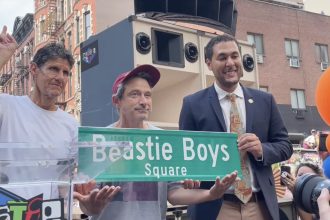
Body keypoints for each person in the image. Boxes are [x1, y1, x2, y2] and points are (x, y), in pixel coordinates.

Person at [74, 64, 238, 220]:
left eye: (148, 95)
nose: (144, 101)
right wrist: (90, 207)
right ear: (117, 101)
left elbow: (173, 193)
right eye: (135, 94)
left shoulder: (163, 140)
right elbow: (87, 203)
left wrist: (210, 194)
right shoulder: (97, 142)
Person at [179, 34, 293, 220]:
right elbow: (184, 153)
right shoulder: (193, 104)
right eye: (222, 57)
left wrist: (262, 150)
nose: (230, 62)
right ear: (208, 63)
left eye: (234, 56)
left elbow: (285, 145)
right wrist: (189, 175)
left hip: (260, 206)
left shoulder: (265, 101)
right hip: (215, 208)